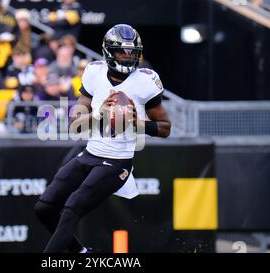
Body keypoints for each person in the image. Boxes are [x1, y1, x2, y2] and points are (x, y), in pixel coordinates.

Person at [34, 24, 171, 253]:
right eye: (122, 51)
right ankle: (82, 253)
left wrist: (136, 124)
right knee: (44, 208)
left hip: (117, 161)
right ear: (109, 51)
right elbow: (75, 126)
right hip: (90, 154)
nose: (128, 56)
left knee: (71, 208)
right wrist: (100, 115)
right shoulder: (94, 72)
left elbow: (165, 128)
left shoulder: (146, 81)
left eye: (131, 52)